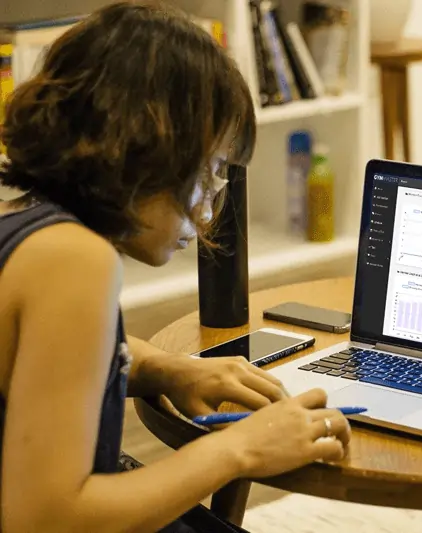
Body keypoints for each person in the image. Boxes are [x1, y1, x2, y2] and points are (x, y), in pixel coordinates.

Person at [0, 2, 351, 532]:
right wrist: (240, 449)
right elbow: (45, 518)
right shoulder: (75, 262)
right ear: (147, 150)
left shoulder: (22, 218)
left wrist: (168, 367)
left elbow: (45, 355)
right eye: (208, 171)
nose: (210, 207)